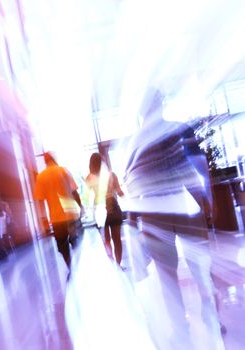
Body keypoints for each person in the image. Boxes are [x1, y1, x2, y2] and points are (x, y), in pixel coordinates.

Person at [123, 87, 222, 348]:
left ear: (141, 109)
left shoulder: (135, 143)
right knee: (200, 265)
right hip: (186, 203)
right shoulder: (179, 130)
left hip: (155, 213)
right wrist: (208, 198)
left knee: (167, 275)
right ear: (160, 104)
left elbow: (132, 186)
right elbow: (200, 166)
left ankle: (180, 327)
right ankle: (210, 314)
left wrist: (133, 223)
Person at [34, 152, 84, 268]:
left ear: (45, 162)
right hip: (71, 215)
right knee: (75, 240)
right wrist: (80, 207)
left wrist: (43, 218)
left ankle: (69, 265)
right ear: (54, 159)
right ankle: (78, 264)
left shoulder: (41, 177)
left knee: (62, 245)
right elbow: (74, 192)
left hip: (56, 219)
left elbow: (40, 201)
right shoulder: (64, 171)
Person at [86, 152, 124, 266]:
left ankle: (112, 264)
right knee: (117, 239)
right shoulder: (111, 175)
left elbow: (88, 196)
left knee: (106, 239)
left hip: (100, 209)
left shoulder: (89, 178)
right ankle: (118, 264)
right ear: (102, 162)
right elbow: (119, 192)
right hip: (113, 206)